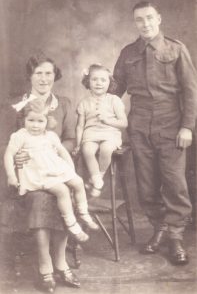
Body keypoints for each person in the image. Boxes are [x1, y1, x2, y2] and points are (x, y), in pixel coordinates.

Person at [111, 1, 197, 265]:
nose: (145, 24)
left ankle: (176, 236)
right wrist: (93, 81)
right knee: (146, 186)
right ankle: (159, 229)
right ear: (135, 22)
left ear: (158, 19)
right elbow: (115, 89)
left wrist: (187, 126)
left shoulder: (176, 49)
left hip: (171, 126)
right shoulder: (128, 53)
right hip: (138, 127)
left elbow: (190, 91)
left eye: (149, 18)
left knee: (175, 184)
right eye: (139, 19)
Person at [1, 53, 82, 292]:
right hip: (28, 175)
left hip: (55, 169)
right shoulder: (16, 105)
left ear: (54, 76)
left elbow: (69, 139)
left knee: (64, 192)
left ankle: (60, 261)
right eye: (38, 73)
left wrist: (52, 152)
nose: (44, 78)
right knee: (40, 198)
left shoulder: (64, 104)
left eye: (48, 73)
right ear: (30, 76)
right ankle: (45, 265)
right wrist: (16, 156)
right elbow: (5, 142)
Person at [4, 98, 99, 243]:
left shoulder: (50, 136)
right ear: (24, 120)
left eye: (40, 121)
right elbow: (8, 154)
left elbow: (63, 152)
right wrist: (11, 175)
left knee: (78, 182)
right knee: (62, 190)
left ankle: (83, 212)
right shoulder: (21, 136)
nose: (35, 125)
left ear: (47, 122)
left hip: (55, 169)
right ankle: (72, 225)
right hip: (38, 174)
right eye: (31, 120)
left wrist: (71, 170)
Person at [73, 64, 128, 197]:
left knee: (106, 148)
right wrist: (78, 144)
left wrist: (108, 121)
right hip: (90, 133)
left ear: (110, 83)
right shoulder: (84, 103)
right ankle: (95, 177)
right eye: (94, 79)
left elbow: (124, 123)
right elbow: (80, 126)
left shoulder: (114, 100)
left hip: (110, 133)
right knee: (87, 150)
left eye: (103, 80)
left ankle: (99, 178)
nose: (99, 83)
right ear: (88, 82)